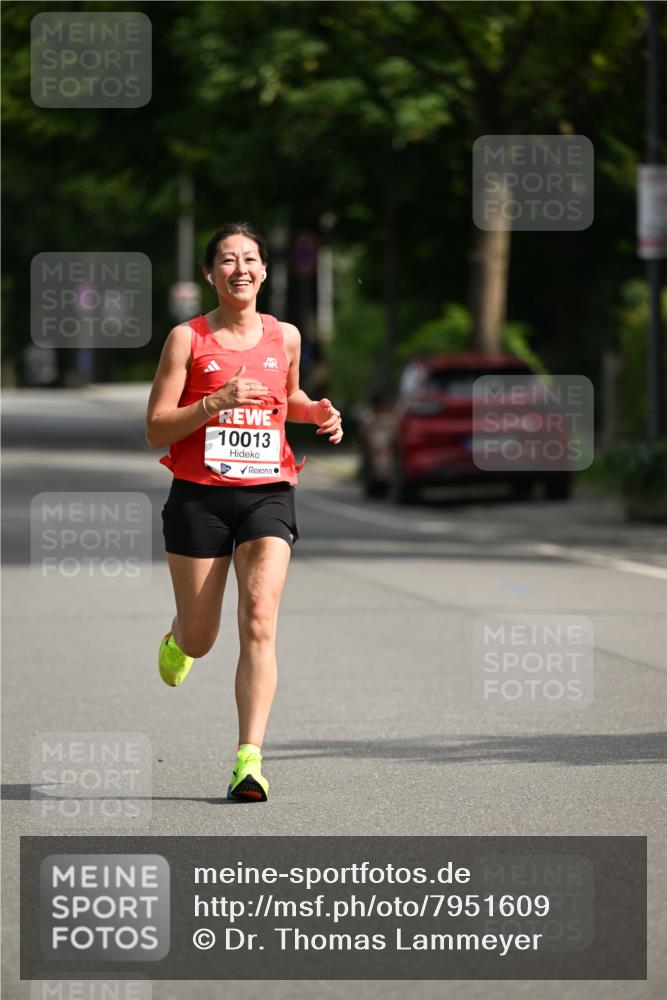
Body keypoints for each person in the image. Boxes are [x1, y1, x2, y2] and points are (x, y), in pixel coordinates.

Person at [145, 222, 343, 802]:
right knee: (202, 637)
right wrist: (215, 401)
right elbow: (156, 427)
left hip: (268, 492)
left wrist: (316, 411)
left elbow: (289, 398)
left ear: (264, 271)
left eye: (250, 259)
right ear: (210, 274)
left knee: (258, 618)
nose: (240, 269)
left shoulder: (286, 337)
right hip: (199, 496)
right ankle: (179, 638)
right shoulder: (187, 339)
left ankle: (248, 761)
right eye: (228, 260)